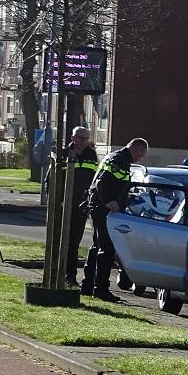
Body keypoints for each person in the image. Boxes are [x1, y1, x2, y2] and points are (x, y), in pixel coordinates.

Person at [86, 138, 148, 302]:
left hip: (98, 207)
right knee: (106, 249)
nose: (141, 158)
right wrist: (109, 201)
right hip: (103, 209)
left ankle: (88, 285)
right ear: (136, 149)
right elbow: (101, 182)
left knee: (97, 246)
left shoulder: (117, 158)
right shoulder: (119, 160)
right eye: (141, 153)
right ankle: (100, 289)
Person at [60, 127, 99, 288]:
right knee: (63, 241)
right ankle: (60, 274)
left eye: (86, 138)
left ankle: (71, 277)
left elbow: (95, 179)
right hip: (65, 204)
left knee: (75, 242)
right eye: (80, 138)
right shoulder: (64, 154)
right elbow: (54, 180)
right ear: (72, 138)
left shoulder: (91, 155)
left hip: (82, 205)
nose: (83, 141)